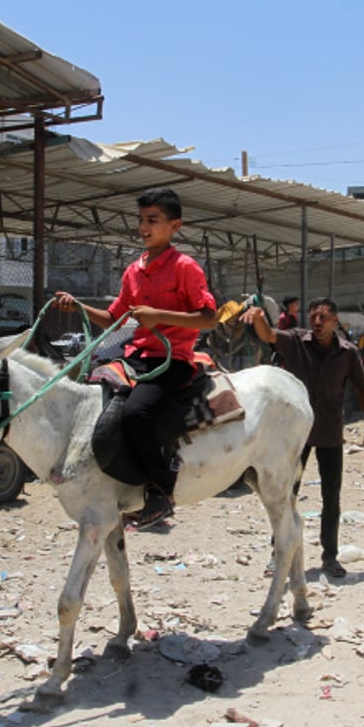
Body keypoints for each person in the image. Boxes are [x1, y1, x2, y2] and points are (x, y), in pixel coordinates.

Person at [55, 187, 217, 528]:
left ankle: (161, 490)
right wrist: (78, 306)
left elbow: (208, 318)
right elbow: (114, 318)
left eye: (153, 220)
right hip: (136, 357)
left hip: (172, 359)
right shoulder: (133, 271)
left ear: (175, 227)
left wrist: (160, 317)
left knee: (136, 412)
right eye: (141, 219)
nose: (144, 226)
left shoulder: (185, 267)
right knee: (92, 401)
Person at [241, 297, 364, 579]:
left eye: (323, 317)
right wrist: (258, 317)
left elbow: (363, 389)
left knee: (331, 497)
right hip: (294, 438)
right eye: (314, 316)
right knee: (286, 495)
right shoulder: (295, 341)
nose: (317, 322)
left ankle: (330, 557)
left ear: (335, 322)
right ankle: (278, 554)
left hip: (329, 432)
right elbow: (268, 334)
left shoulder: (348, 353)